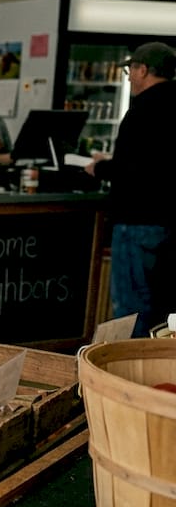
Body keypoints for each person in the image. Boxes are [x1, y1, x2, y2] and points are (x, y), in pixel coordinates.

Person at [85, 41, 176, 337]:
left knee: (132, 311)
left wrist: (100, 167)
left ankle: (130, 364)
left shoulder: (141, 111)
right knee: (163, 313)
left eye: (130, 70)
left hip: (137, 223)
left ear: (143, 70)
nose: (129, 78)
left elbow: (130, 170)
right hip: (169, 223)